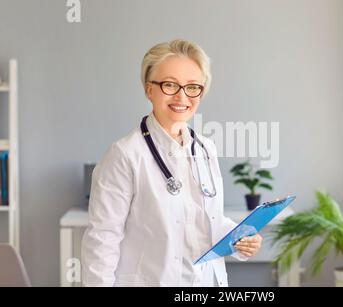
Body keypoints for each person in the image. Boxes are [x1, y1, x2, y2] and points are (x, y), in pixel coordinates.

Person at [81, 39, 262, 287]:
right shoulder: (124, 155)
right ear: (149, 89)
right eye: (169, 85)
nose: (182, 96)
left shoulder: (205, 148)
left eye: (192, 87)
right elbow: (102, 241)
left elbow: (207, 221)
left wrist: (241, 239)